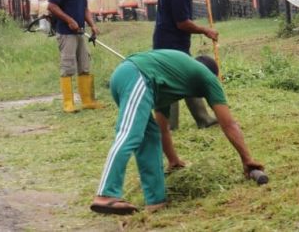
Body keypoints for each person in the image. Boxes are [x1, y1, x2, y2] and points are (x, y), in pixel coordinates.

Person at [90, 50, 263, 215]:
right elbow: (229, 124)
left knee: (150, 137)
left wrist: (174, 160)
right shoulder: (208, 77)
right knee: (129, 134)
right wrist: (247, 159)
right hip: (136, 75)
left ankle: (155, 200)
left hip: (137, 78)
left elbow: (163, 129)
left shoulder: (173, 79)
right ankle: (106, 194)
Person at [153, 0, 219, 128]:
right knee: (170, 81)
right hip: (170, 41)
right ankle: (169, 124)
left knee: (187, 75)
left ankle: (202, 119)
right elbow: (182, 23)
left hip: (169, 38)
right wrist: (205, 30)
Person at [46, 0, 103, 113]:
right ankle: (68, 104)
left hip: (80, 32)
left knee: (84, 65)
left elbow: (85, 9)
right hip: (66, 33)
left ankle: (87, 101)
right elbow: (52, 6)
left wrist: (92, 25)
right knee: (68, 67)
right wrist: (69, 20)